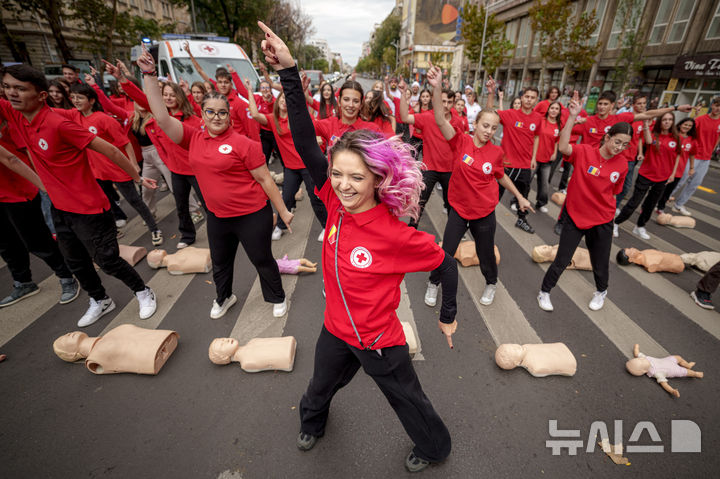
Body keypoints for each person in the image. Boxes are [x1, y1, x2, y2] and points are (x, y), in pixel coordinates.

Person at [260, 21, 457, 472]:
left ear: (377, 180)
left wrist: (448, 316)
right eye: (338, 174)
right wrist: (289, 71)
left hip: (378, 340)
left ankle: (434, 448)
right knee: (318, 389)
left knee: (408, 400)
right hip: (335, 331)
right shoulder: (330, 202)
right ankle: (313, 423)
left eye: (357, 177)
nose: (344, 185)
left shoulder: (394, 233)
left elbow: (446, 266)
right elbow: (306, 140)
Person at [138, 47, 293, 320]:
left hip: (251, 215)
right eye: (210, 112)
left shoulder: (243, 144)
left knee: (261, 260)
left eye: (222, 113)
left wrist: (283, 212)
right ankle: (224, 297)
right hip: (218, 217)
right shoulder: (192, 137)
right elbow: (161, 117)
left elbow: (265, 179)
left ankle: (277, 296)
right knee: (221, 263)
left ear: (229, 113)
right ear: (202, 112)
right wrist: (149, 75)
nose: (216, 118)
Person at [0, 64, 157, 327]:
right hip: (60, 209)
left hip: (90, 208)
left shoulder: (59, 124)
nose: (12, 93)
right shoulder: (16, 115)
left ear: (40, 95)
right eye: (7, 87)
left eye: (20, 88)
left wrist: (136, 175)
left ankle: (143, 291)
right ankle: (100, 299)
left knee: (107, 260)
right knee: (75, 262)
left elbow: (111, 150)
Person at [423, 65, 532, 307]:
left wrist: (520, 197)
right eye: (485, 126)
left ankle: (491, 282)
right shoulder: (459, 141)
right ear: (476, 124)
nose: (489, 131)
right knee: (447, 251)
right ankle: (433, 283)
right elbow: (440, 118)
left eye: (494, 128)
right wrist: (437, 86)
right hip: (459, 210)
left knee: (485, 254)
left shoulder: (495, 151)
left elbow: (501, 176)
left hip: (484, 213)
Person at [537, 93, 631, 313]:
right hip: (576, 216)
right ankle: (545, 291)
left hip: (602, 219)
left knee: (600, 261)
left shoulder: (622, 165)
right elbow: (563, 148)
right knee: (562, 259)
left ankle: (601, 291)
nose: (619, 147)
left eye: (624, 145)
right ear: (607, 138)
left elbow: (615, 193)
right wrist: (572, 116)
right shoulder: (584, 152)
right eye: (617, 142)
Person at [105, 60, 206, 248]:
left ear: (180, 97)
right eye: (164, 95)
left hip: (195, 170)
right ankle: (187, 235)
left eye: (171, 95)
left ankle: (223, 232)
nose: (167, 98)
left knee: (208, 204)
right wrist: (122, 79)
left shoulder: (193, 120)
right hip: (175, 170)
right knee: (181, 206)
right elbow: (142, 98)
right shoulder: (161, 116)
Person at [58, 83, 163, 246]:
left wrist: (133, 165)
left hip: (117, 169)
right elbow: (51, 112)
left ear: (91, 100)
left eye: (80, 97)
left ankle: (154, 229)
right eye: (73, 97)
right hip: (96, 171)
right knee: (103, 202)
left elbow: (125, 143)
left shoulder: (104, 119)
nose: (76, 101)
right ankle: (112, 232)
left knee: (135, 201)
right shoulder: (74, 116)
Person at [0, 115, 78, 308]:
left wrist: (46, 186)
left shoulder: (10, 121)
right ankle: (24, 282)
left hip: (19, 191)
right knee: (6, 244)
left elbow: (16, 158)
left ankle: (66, 276)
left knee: (36, 240)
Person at [245, 82, 328, 242]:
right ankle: (281, 226)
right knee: (287, 198)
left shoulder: (297, 118)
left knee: (315, 198)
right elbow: (255, 115)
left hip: (306, 165)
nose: (283, 100)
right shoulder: (271, 119)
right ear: (278, 101)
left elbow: (315, 127)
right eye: (281, 98)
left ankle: (326, 226)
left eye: (286, 98)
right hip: (290, 168)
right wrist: (249, 91)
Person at [485, 76, 540, 234]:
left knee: (524, 195)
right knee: (494, 196)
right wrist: (491, 93)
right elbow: (489, 112)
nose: (529, 100)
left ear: (536, 100)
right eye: (527, 96)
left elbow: (536, 136)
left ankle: (521, 220)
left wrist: (534, 157)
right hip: (506, 165)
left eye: (532, 98)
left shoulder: (537, 119)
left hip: (524, 165)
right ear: (522, 97)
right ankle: (484, 220)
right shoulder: (510, 115)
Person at [614, 112, 681, 240]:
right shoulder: (653, 135)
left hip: (663, 177)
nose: (667, 122)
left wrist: (673, 174)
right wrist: (645, 123)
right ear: (660, 121)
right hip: (646, 174)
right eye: (664, 119)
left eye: (670, 119)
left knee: (650, 204)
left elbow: (677, 155)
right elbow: (648, 140)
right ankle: (616, 223)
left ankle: (639, 226)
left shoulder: (676, 138)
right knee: (634, 202)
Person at [671, 97, 720, 216]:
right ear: (712, 105)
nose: (717, 108)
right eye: (716, 105)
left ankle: (679, 204)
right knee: (681, 179)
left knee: (695, 184)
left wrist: (712, 150)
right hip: (693, 155)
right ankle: (663, 198)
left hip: (706, 158)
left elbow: (718, 138)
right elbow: (688, 128)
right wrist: (695, 115)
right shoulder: (701, 119)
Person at [614, 95, 647, 212]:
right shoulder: (626, 118)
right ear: (633, 105)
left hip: (631, 159)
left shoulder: (642, 122)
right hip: (619, 156)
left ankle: (615, 205)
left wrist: (640, 152)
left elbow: (639, 139)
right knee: (612, 182)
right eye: (639, 103)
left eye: (644, 103)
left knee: (626, 186)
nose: (642, 106)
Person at [657, 117, 696, 213]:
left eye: (689, 126)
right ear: (680, 124)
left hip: (679, 171)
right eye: (685, 124)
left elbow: (692, 154)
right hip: (666, 168)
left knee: (668, 191)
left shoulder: (692, 140)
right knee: (659, 189)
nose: (687, 127)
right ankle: (650, 205)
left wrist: (691, 168)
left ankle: (660, 208)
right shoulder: (672, 135)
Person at [534, 101, 562, 213]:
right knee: (526, 181)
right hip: (535, 158)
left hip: (547, 159)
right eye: (552, 108)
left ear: (559, 112)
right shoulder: (540, 121)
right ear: (548, 109)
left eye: (556, 109)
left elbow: (556, 141)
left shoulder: (558, 125)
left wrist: (554, 153)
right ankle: (516, 201)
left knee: (545, 183)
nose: (554, 110)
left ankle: (541, 203)